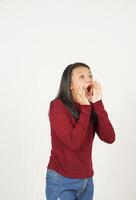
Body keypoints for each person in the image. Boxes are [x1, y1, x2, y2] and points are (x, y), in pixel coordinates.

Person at [45, 62, 116, 200]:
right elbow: (73, 143)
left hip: (86, 181)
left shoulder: (90, 107)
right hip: (62, 181)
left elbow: (109, 137)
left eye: (90, 75)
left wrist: (97, 103)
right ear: (70, 85)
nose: (88, 79)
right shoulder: (58, 106)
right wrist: (86, 108)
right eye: (81, 76)